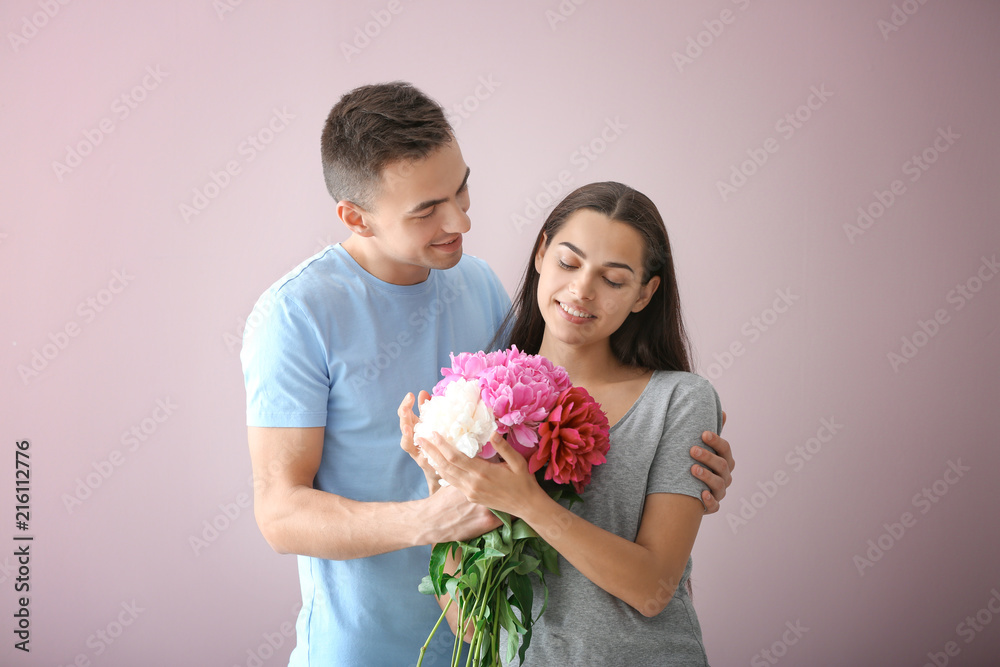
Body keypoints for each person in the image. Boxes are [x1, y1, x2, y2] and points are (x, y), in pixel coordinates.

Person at [242, 82, 734, 666]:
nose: (459, 221)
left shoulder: (475, 284)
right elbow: (279, 515)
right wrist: (429, 513)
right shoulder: (297, 313)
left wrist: (673, 459)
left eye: (461, 188)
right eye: (427, 210)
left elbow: (541, 435)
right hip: (366, 648)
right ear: (357, 217)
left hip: (488, 648)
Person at [408, 181, 722, 665]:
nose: (581, 290)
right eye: (569, 263)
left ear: (645, 294)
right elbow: (469, 625)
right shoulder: (485, 399)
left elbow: (653, 590)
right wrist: (439, 481)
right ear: (541, 253)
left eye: (613, 280)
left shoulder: (678, 399)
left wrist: (527, 503)